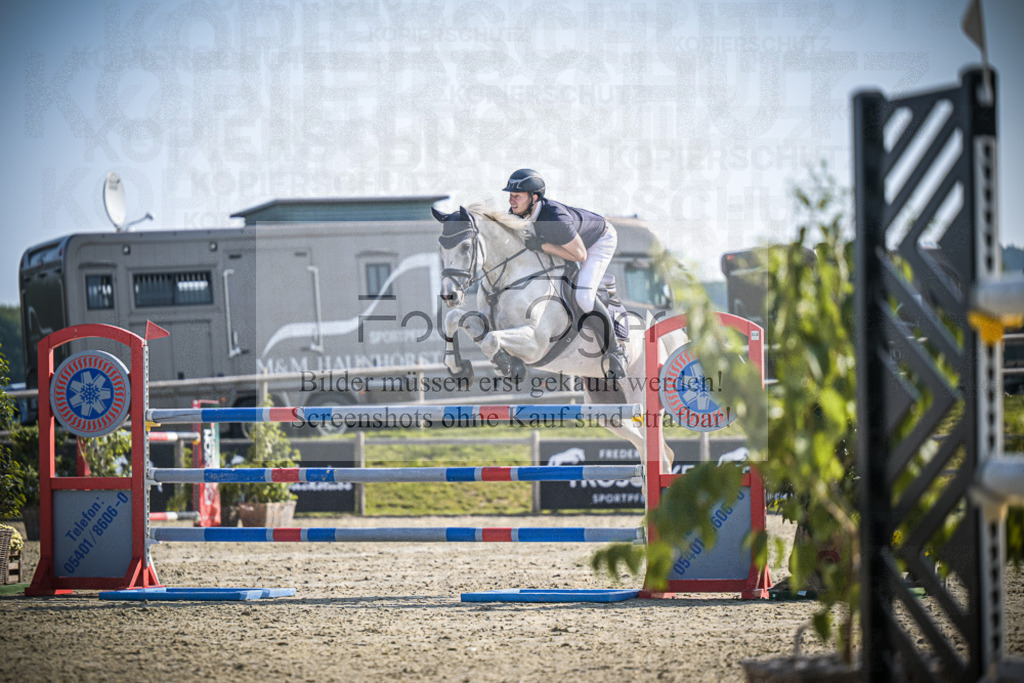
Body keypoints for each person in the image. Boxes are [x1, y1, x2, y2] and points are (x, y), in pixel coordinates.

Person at [502, 168, 628, 380]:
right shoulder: (515, 214)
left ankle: (615, 351)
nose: (511, 200)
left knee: (584, 297)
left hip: (597, 242)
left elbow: (580, 255)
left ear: (534, 197)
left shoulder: (554, 219)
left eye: (517, 196)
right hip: (566, 244)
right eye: (510, 195)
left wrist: (542, 246)